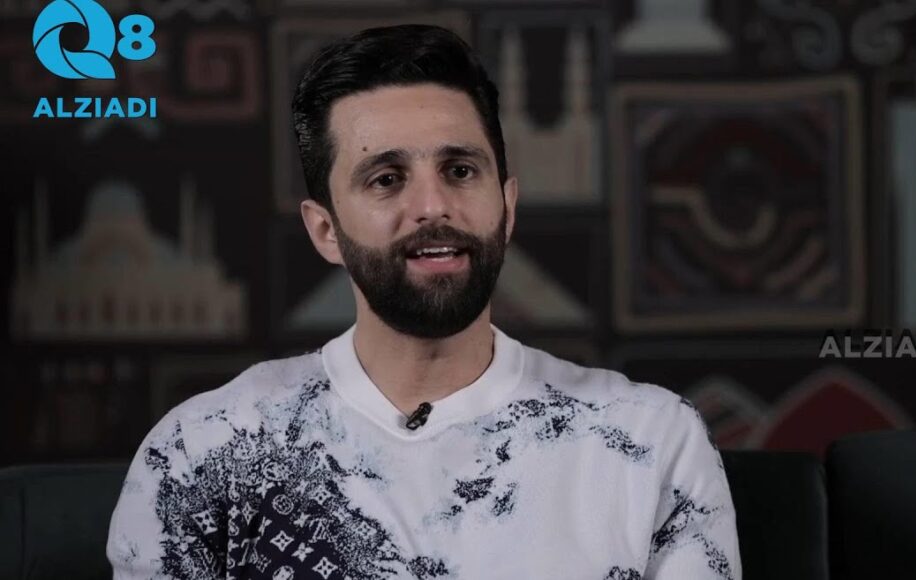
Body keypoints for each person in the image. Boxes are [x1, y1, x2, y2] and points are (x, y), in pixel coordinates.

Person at [106, 24, 740, 579]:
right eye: (386, 179)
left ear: (507, 207)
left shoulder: (647, 440)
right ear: (325, 230)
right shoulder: (205, 450)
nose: (433, 206)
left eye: (460, 171)